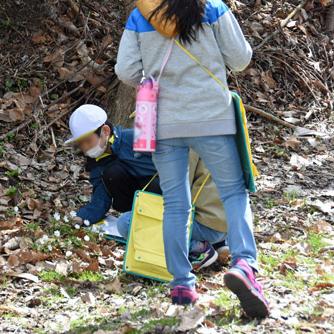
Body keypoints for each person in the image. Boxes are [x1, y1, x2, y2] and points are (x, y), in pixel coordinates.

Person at [115, 0, 269, 318]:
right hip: (212, 117)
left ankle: (182, 285)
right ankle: (245, 266)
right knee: (233, 193)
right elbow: (241, 60)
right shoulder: (211, 8)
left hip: (163, 123)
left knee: (175, 203)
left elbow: (126, 71)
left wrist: (154, 73)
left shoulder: (140, 14)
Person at [65, 104, 229, 270]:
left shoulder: (136, 139)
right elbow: (101, 198)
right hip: (150, 204)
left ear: (105, 131)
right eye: (81, 143)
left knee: (126, 224)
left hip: (175, 201)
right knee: (114, 176)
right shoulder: (97, 165)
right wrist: (82, 217)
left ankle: (197, 248)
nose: (85, 147)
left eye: (88, 141)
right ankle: (211, 241)